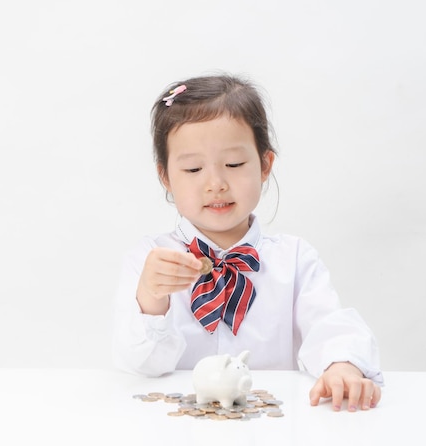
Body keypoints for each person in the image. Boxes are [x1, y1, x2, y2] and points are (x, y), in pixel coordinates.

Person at [112, 74, 383, 412]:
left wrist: (341, 364)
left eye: (234, 164)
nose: (215, 184)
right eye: (194, 169)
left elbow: (328, 325)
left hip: (271, 421)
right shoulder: (151, 258)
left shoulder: (294, 258)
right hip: (175, 424)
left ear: (265, 164)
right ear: (166, 176)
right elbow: (142, 367)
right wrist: (153, 299)